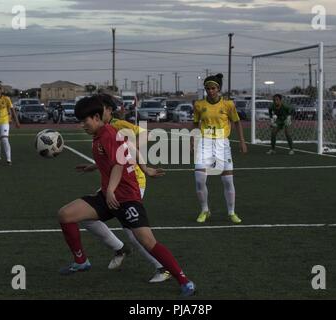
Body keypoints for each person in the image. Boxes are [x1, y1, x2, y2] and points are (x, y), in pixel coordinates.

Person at [58, 95, 195, 297]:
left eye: (84, 121)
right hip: (108, 195)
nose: (82, 125)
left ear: (96, 117)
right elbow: (124, 154)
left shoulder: (108, 134)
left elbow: (118, 164)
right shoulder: (100, 135)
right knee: (65, 214)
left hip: (126, 198)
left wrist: (112, 189)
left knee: (147, 241)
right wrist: (94, 168)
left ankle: (184, 280)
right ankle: (81, 262)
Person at [79, 94, 172, 283]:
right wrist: (94, 165)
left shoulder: (118, 125)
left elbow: (147, 135)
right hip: (115, 183)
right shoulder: (101, 131)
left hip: (132, 183)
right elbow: (111, 155)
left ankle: (162, 267)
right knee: (86, 217)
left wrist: (142, 167)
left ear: (108, 111)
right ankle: (119, 249)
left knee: (135, 233)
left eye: (100, 107)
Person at [191, 73, 247, 224]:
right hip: (204, 143)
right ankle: (204, 210)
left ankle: (231, 212)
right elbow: (195, 124)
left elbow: (237, 122)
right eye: (208, 88)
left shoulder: (228, 105)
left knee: (228, 180)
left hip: (222, 144)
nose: (210, 91)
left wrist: (242, 141)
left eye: (213, 88)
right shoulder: (199, 105)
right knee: (199, 179)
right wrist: (192, 140)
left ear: (219, 89)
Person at [0, 80, 20, 165]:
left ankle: (9, 160)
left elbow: (12, 110)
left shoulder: (6, 99)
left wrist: (17, 122)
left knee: (5, 139)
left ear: (1, 89)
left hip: (4, 122)